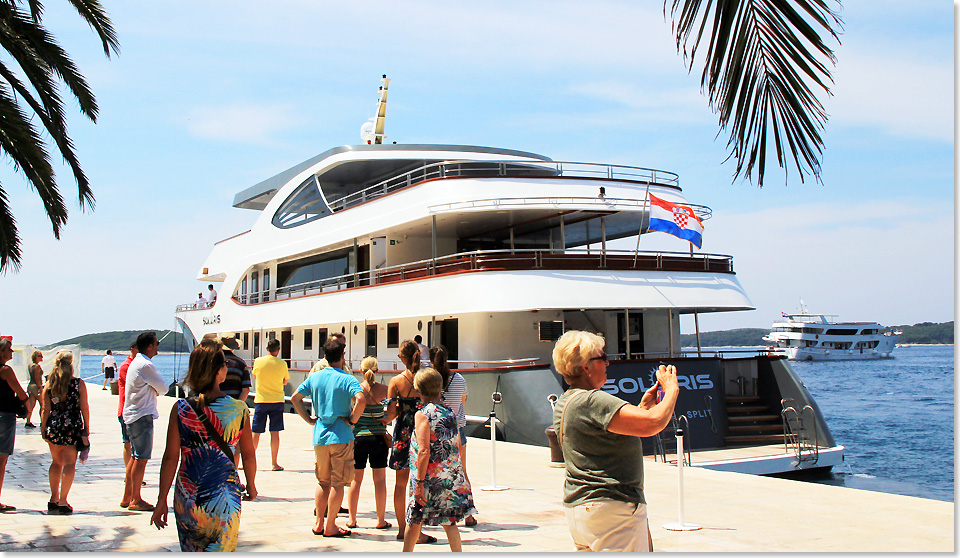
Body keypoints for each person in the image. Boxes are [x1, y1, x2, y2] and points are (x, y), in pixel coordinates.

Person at [551, 330, 679, 552]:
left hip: (582, 512)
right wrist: (672, 389)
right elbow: (653, 423)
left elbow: (608, 434)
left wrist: (642, 410)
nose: (607, 363)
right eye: (602, 357)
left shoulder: (567, 401)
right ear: (586, 367)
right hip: (612, 509)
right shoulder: (592, 400)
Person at [150, 338, 258, 551]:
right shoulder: (238, 409)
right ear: (219, 371)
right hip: (224, 494)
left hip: (188, 495)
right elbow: (248, 454)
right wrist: (252, 485)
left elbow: (170, 457)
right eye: (224, 364)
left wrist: (161, 499)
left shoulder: (181, 408)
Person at [290, 338, 364, 537]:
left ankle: (319, 522)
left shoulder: (316, 377)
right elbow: (361, 399)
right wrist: (353, 420)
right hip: (341, 435)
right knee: (338, 484)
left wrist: (308, 419)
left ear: (324, 357)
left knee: (323, 482)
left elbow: (295, 397)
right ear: (342, 356)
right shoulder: (347, 378)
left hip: (320, 435)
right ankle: (331, 525)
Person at [402, 367, 477, 552]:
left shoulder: (423, 415)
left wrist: (419, 483)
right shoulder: (449, 413)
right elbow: (455, 444)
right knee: (450, 522)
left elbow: (424, 451)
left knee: (414, 520)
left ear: (419, 389)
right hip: (447, 477)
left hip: (428, 479)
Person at [385, 339, 435, 544]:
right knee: (420, 483)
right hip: (422, 432)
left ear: (403, 358)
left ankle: (401, 528)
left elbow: (391, 413)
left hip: (403, 434)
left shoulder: (396, 382)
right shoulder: (425, 379)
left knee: (400, 484)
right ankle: (418, 530)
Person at [123, 331, 169, 512]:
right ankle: (136, 499)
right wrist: (154, 389)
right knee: (141, 458)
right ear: (149, 346)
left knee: (135, 457)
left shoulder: (137, 362)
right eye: (156, 343)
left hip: (133, 414)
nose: (158, 347)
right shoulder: (146, 365)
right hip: (142, 415)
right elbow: (164, 388)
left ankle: (128, 496)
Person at [431, 345, 475, 527]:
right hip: (458, 430)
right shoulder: (459, 379)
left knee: (435, 475)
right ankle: (469, 514)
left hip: (436, 432)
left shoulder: (431, 380)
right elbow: (463, 401)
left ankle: (437, 513)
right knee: (461, 473)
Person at [40, 350, 89, 515]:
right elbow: (84, 407)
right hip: (72, 426)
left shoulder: (50, 384)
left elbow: (45, 409)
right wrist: (86, 428)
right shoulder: (78, 384)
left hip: (54, 426)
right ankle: (63, 500)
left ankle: (53, 498)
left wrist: (43, 428)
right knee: (69, 464)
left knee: (55, 462)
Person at [346, 356, 392, 530]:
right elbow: (392, 410)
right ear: (378, 371)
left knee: (355, 481)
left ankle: (352, 519)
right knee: (379, 481)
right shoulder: (385, 390)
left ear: (361, 371)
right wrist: (387, 419)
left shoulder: (355, 390)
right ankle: (380, 520)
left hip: (358, 437)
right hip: (378, 438)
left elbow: (351, 412)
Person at [251, 338, 288, 471]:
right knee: (275, 433)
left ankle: (250, 459)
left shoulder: (258, 361)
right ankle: (274, 463)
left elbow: (255, 376)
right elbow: (285, 381)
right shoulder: (282, 363)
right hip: (277, 400)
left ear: (267, 349)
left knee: (256, 432)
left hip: (261, 400)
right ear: (278, 350)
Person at [0, 338, 27, 513]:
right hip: (4, 416)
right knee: (1, 460)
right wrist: (26, 404)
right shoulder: (5, 370)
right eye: (9, 349)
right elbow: (20, 391)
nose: (12, 352)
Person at [118, 340, 138, 508]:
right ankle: (129, 474)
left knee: (131, 446)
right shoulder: (127, 366)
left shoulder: (134, 365)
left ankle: (130, 475)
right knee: (128, 445)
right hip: (126, 410)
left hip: (131, 410)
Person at [219, 337, 251, 403]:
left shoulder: (213, 362)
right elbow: (246, 390)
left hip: (215, 406)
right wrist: (237, 405)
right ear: (233, 348)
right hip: (234, 406)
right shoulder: (241, 363)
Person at [24, 350, 44, 428]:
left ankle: (28, 422)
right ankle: (42, 422)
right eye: (40, 356)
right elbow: (36, 377)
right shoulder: (37, 366)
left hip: (31, 386)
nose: (42, 357)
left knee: (31, 405)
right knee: (42, 405)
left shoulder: (30, 365)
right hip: (36, 386)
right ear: (36, 357)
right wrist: (40, 387)